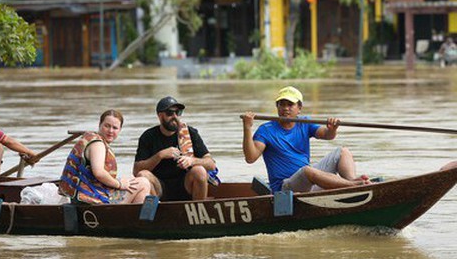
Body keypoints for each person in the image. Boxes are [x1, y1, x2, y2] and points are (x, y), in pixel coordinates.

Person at [241, 86, 369, 193]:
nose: (285, 108)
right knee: (307, 170)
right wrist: (247, 127)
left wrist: (332, 128)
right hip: (286, 187)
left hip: (308, 182)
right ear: (277, 107)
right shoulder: (266, 130)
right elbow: (250, 158)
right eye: (282, 104)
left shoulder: (304, 122)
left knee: (343, 151)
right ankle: (353, 186)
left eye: (290, 104)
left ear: (299, 108)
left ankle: (352, 180)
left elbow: (327, 135)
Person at [134, 96, 217, 201]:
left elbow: (211, 164)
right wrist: (160, 155)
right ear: (160, 116)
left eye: (178, 112)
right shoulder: (148, 136)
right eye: (169, 113)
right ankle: (156, 211)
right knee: (143, 175)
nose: (174, 116)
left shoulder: (190, 133)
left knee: (199, 170)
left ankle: (198, 210)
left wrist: (192, 161)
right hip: (158, 187)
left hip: (186, 184)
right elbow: (136, 171)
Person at [59, 110, 151, 204]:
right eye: (107, 126)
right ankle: (139, 218)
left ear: (119, 130)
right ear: (100, 124)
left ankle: (133, 215)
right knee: (143, 183)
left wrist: (121, 182)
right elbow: (99, 172)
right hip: (91, 201)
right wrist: (119, 185)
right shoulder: (97, 145)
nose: (110, 131)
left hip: (85, 196)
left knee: (130, 181)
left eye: (115, 128)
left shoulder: (92, 139)